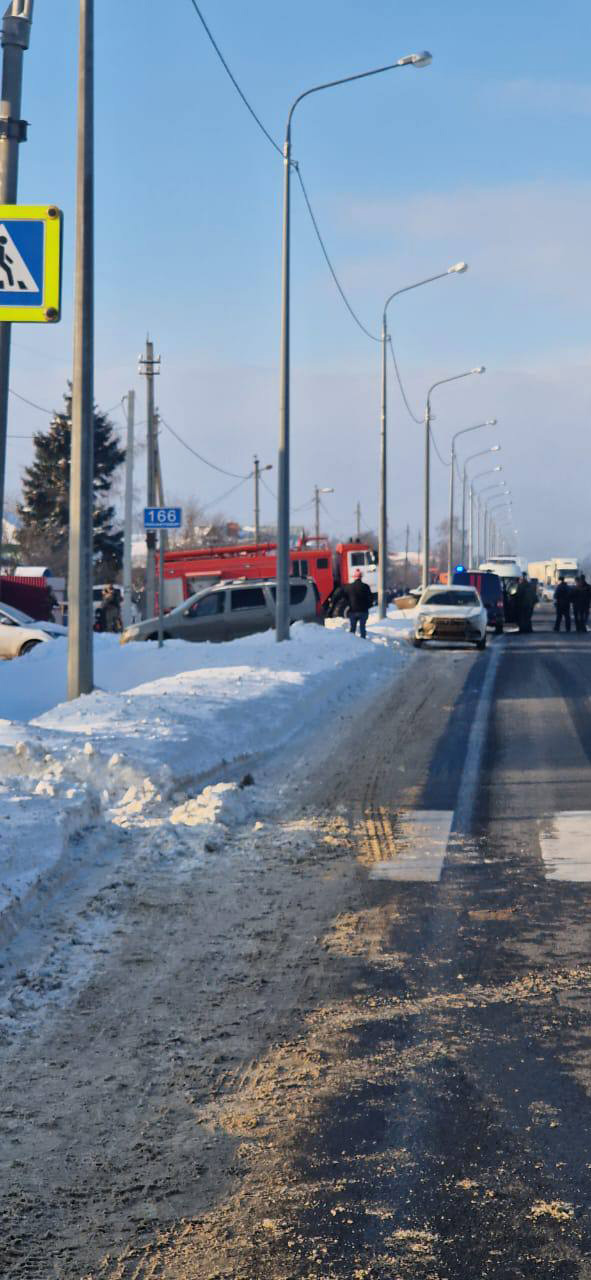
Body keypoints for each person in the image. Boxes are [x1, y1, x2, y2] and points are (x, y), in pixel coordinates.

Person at [347, 568, 373, 638]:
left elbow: (345, 598)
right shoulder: (366, 586)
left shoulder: (349, 587)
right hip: (363, 611)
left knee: (352, 628)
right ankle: (363, 641)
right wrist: (368, 606)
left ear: (354, 577)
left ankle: (351, 642)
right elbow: (371, 599)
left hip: (352, 611)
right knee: (362, 628)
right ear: (361, 577)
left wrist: (349, 605)